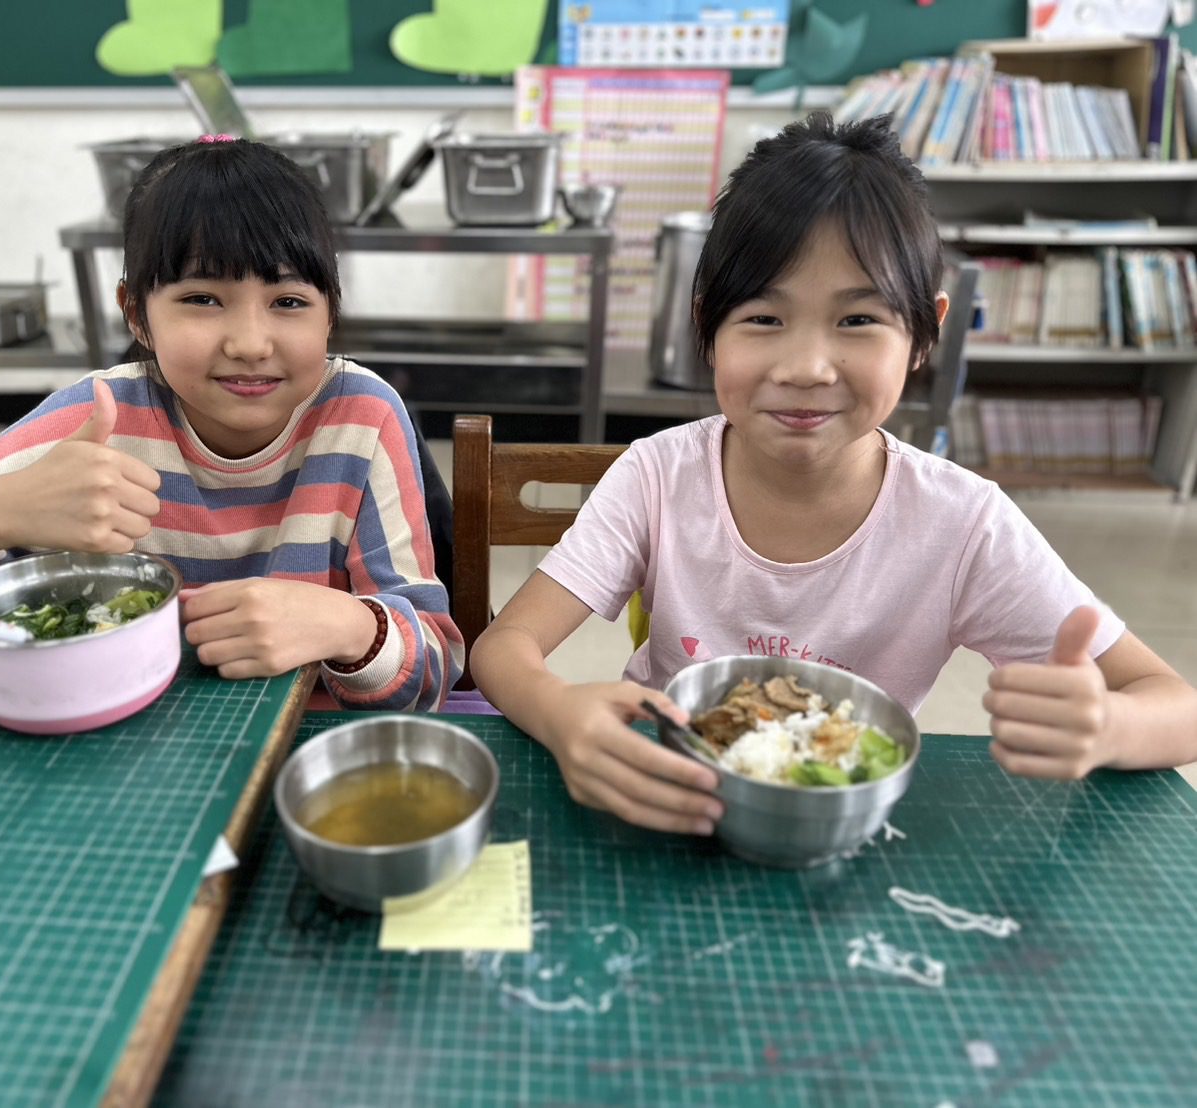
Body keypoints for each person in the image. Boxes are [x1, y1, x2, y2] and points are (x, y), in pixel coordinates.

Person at [470, 113, 1197, 834]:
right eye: (762, 319)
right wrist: (560, 713)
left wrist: (1107, 726)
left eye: (856, 321)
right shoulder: (658, 475)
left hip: (839, 822)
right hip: (661, 796)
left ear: (922, 335)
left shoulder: (961, 522)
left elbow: (1176, 706)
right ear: (707, 328)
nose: (806, 369)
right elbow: (504, 648)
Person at [0, 137, 462, 712]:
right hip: (120, 741)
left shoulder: (360, 417)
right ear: (135, 313)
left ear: (329, 313)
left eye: (287, 300)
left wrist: (347, 626)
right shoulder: (99, 419)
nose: (250, 341)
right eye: (202, 298)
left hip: (302, 748)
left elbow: (436, 665)